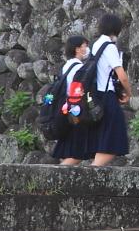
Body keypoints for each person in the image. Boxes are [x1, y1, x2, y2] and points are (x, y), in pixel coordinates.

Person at [85, 13, 132, 167]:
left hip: (96, 96)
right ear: (116, 29)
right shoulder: (109, 47)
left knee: (105, 139)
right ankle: (91, 172)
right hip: (107, 97)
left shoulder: (95, 45)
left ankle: (92, 171)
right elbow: (122, 76)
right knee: (114, 140)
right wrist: (128, 93)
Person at [51, 35, 91, 165]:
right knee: (77, 154)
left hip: (64, 110)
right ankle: (56, 178)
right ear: (78, 49)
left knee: (69, 151)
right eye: (85, 46)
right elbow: (78, 91)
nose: (87, 49)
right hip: (74, 112)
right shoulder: (79, 68)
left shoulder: (66, 66)